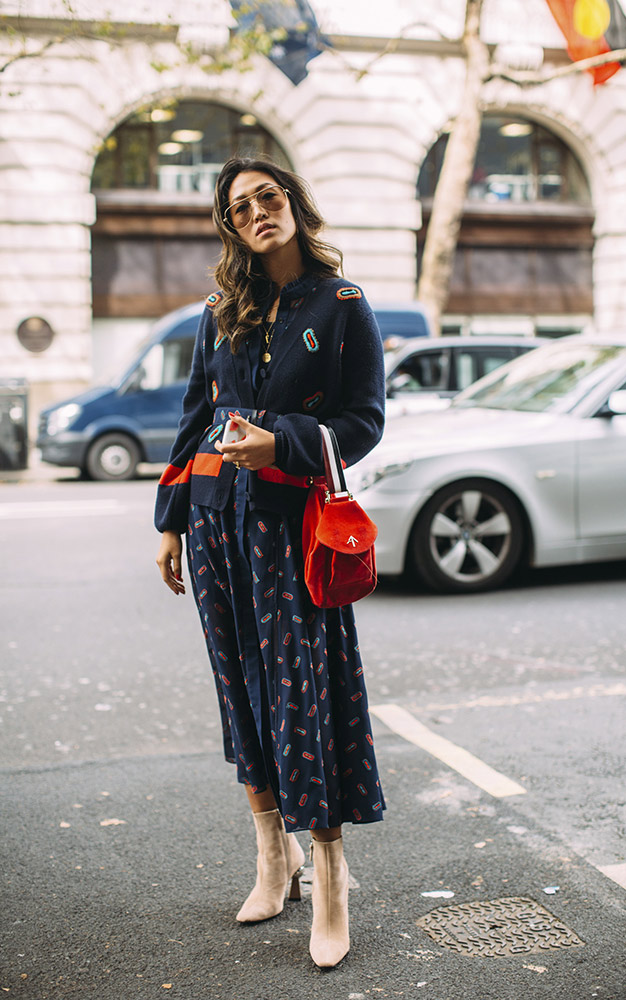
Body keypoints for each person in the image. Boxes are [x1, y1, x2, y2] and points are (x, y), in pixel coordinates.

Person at [155, 156, 386, 968]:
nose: (257, 212)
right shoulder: (220, 310)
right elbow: (194, 420)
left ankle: (327, 871)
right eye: (240, 206)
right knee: (241, 693)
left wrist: (280, 441)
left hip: (294, 527)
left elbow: (363, 421)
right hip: (217, 526)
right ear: (230, 224)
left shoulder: (344, 304)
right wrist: (171, 520)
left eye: (268, 197)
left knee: (303, 697)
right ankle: (271, 855)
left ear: (292, 203)